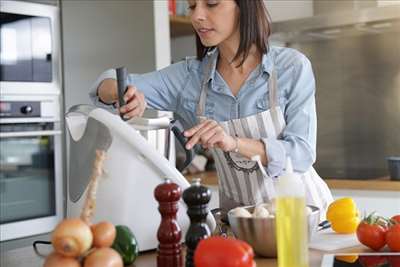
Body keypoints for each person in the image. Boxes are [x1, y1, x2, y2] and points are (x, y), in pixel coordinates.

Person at [89, 0, 333, 217]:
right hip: (240, 228)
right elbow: (105, 83)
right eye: (193, 6)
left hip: (304, 220)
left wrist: (234, 143)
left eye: (212, 4)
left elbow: (301, 154)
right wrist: (126, 94)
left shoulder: (291, 67)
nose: (197, 16)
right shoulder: (188, 77)